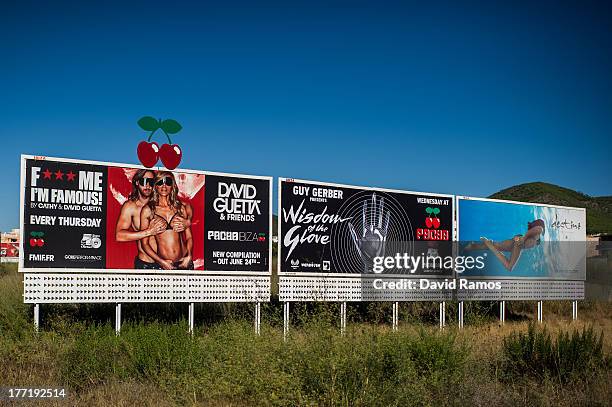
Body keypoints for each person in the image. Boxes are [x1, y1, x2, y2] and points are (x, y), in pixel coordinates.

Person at [115, 169, 191, 269]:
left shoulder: (160, 202)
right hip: (148, 263)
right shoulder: (131, 207)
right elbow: (119, 236)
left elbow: (187, 207)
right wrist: (148, 232)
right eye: (144, 181)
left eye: (151, 182)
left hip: (170, 262)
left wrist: (188, 221)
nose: (147, 186)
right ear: (137, 182)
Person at [140, 171, 194, 270]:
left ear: (172, 185)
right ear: (156, 186)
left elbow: (189, 237)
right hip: (164, 265)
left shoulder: (180, 208)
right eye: (160, 182)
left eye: (168, 182)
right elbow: (145, 244)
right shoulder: (148, 210)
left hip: (184, 262)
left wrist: (189, 256)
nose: (164, 186)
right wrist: (161, 262)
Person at [464, 219, 545, 272]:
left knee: (497, 246)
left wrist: (523, 238)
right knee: (509, 267)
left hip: (517, 240)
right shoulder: (537, 236)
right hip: (519, 243)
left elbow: (534, 230)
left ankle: (472, 246)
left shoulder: (534, 238)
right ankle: (489, 245)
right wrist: (523, 239)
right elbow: (539, 229)